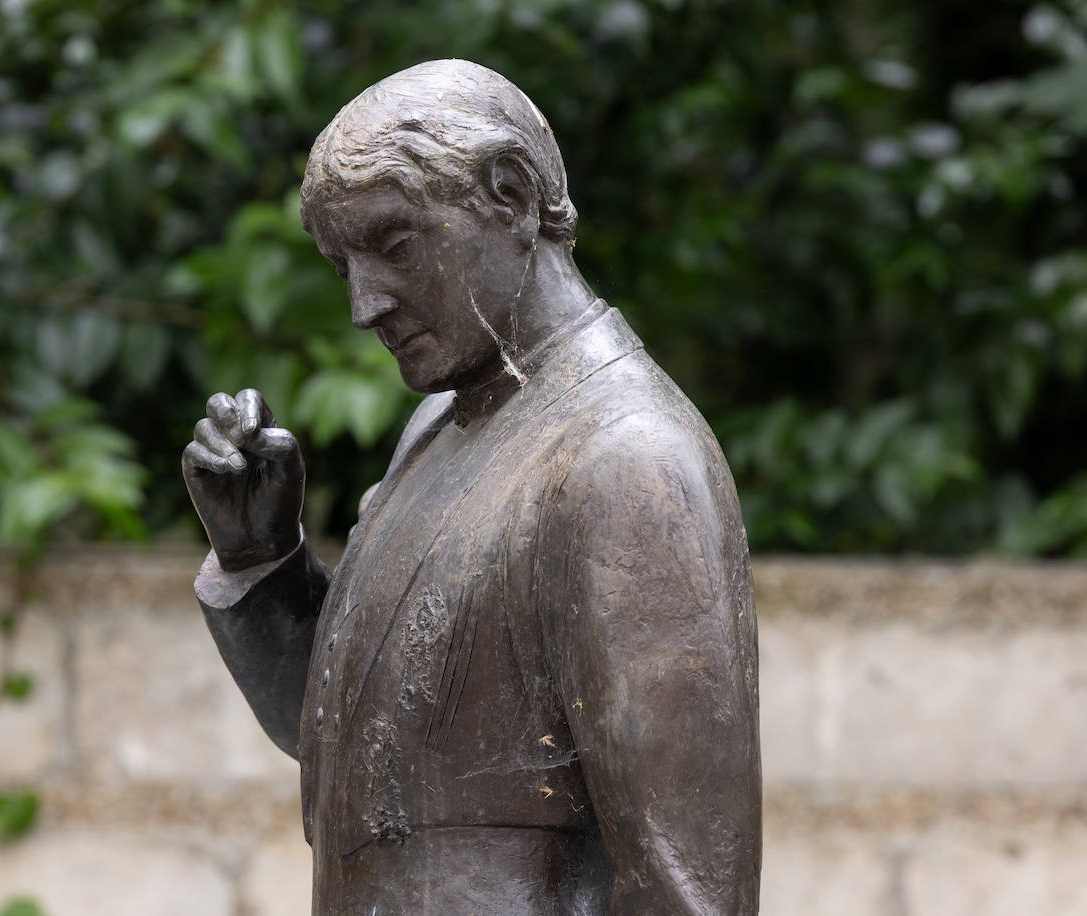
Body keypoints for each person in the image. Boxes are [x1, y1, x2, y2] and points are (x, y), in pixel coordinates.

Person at [182, 59, 761, 915]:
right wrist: (262, 560)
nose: (364, 305)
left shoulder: (625, 462)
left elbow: (689, 890)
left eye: (394, 245)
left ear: (513, 197)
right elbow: (378, 759)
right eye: (343, 267)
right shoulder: (440, 432)